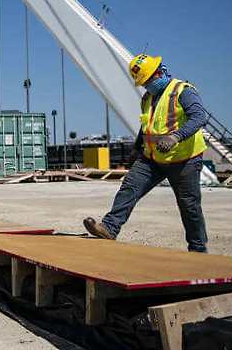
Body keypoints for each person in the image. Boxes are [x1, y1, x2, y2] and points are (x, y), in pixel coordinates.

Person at [83, 54, 209, 252]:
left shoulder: (183, 91)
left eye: (148, 80)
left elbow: (200, 117)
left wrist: (176, 137)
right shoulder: (148, 98)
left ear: (159, 72)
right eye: (143, 83)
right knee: (129, 187)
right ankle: (109, 227)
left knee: (189, 205)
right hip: (152, 159)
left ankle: (198, 248)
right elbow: (147, 125)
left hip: (184, 160)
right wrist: (137, 147)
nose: (146, 86)